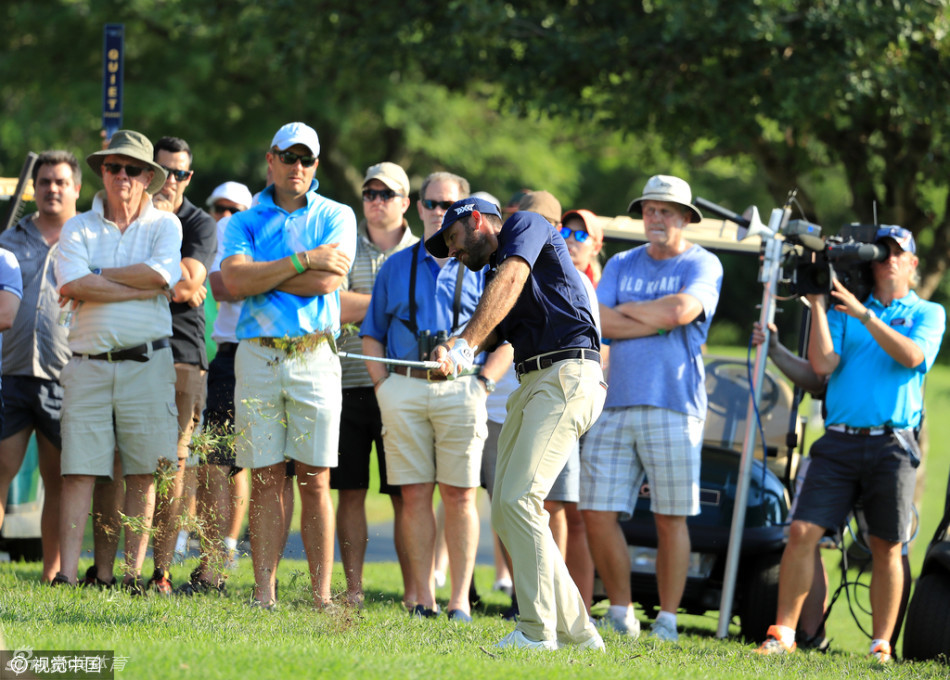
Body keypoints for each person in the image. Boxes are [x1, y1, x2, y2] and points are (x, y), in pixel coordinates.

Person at [756, 225, 945, 663]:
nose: (889, 260)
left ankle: (881, 645)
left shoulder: (928, 312)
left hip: (892, 444)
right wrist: (821, 307)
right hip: (839, 441)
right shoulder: (844, 311)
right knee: (802, 531)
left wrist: (865, 315)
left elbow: (914, 358)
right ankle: (783, 632)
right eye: (882, 253)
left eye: (899, 253)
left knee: (886, 545)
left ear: (913, 263)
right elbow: (822, 366)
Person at [427, 197, 606, 650]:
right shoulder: (493, 275)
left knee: (520, 498)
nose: (456, 255)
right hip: (534, 382)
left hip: (567, 373)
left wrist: (465, 345)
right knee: (509, 509)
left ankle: (535, 630)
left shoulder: (526, 225)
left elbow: (512, 278)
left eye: (454, 240)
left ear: (476, 220)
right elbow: (491, 326)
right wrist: (451, 348)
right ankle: (581, 635)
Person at [581, 175, 723, 642]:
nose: (656, 219)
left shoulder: (704, 263)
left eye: (666, 211)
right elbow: (597, 320)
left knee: (670, 517)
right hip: (615, 400)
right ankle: (620, 611)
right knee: (597, 512)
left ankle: (667, 620)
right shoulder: (622, 261)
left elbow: (682, 312)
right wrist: (657, 317)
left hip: (674, 405)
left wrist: (639, 314)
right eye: (649, 211)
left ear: (685, 218)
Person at [220, 122, 355, 609]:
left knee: (315, 478)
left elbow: (328, 283)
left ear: (315, 166)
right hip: (257, 353)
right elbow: (233, 281)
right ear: (270, 159)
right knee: (264, 477)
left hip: (314, 354)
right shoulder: (244, 220)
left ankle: (321, 596)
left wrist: (265, 275)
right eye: (288, 157)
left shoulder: (337, 214)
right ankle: (264, 594)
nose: (296, 167)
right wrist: (303, 260)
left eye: (306, 159)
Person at [361, 171, 505, 622]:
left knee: (461, 495)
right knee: (415, 494)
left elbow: (507, 340)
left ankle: (459, 600)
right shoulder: (396, 265)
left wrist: (483, 386)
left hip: (462, 390)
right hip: (403, 386)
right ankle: (422, 597)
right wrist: (384, 387)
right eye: (431, 204)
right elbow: (372, 334)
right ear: (418, 207)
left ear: (468, 213)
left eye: (448, 206)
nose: (439, 213)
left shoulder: (486, 268)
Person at [52, 129, 182, 588]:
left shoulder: (166, 225)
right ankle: (67, 576)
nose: (122, 175)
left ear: (149, 176)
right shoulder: (77, 226)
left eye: (132, 169)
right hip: (87, 363)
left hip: (147, 365)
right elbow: (71, 284)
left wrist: (97, 276)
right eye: (113, 167)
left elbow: (163, 275)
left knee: (145, 473)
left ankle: (131, 576)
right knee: (79, 472)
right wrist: (139, 286)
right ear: (102, 172)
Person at [333, 161, 418, 608]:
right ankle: (353, 591)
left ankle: (414, 593)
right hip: (348, 384)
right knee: (350, 490)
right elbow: (336, 304)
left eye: (387, 194)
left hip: (403, 387)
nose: (377, 202)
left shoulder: (424, 251)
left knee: (407, 495)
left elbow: (425, 313)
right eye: (370, 194)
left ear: (406, 203)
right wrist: (391, 304)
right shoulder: (345, 245)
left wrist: (364, 306)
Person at [0, 151, 77, 582]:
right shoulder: (9, 239)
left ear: (76, 189)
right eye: (45, 181)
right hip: (9, 373)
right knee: (0, 470)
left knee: (59, 481)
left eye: (60, 182)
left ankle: (53, 573)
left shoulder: (88, 238)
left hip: (63, 375)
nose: (51, 189)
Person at [147, 136, 218, 593]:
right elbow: (183, 283)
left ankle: (162, 571)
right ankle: (117, 569)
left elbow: (186, 287)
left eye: (182, 173)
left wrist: (176, 280)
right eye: (165, 170)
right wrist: (178, 279)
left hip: (183, 355)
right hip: (132, 347)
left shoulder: (199, 223)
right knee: (124, 465)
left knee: (174, 466)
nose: (173, 180)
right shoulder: (133, 219)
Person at [178, 181, 254, 595]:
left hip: (262, 351)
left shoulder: (256, 227)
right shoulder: (210, 238)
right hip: (217, 358)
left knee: (261, 469)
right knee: (213, 463)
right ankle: (210, 564)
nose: (226, 215)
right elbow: (222, 287)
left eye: (234, 208)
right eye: (219, 207)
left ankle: (239, 556)